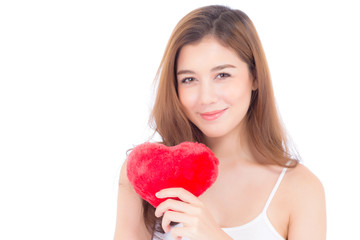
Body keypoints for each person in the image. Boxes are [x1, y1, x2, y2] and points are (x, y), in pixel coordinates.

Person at [114, 5, 326, 240]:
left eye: (222, 75)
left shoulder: (301, 189)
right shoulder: (146, 171)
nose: (206, 98)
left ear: (255, 77)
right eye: (189, 79)